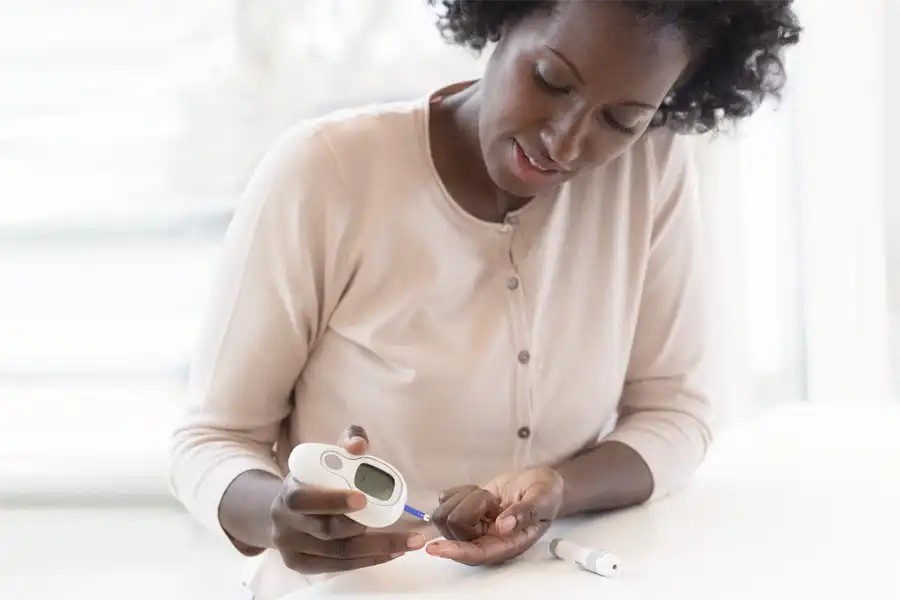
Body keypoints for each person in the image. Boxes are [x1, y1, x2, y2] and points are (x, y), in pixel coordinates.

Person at [169, 0, 801, 597]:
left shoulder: (651, 167)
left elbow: (674, 410)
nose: (565, 142)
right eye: (551, 80)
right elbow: (211, 441)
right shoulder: (327, 171)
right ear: (502, 17)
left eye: (620, 121)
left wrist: (558, 488)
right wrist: (277, 516)